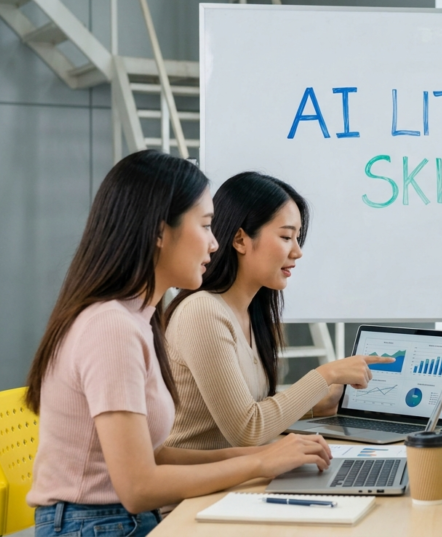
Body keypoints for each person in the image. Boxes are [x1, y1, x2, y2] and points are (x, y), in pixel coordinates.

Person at [25, 151, 332, 537]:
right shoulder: (111, 328)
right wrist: (258, 464)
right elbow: (138, 488)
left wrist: (263, 455)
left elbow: (155, 455)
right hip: (100, 524)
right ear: (159, 232)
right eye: (205, 226)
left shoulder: (138, 317)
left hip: (119, 520)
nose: (215, 244)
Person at [164, 172, 392, 449]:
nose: (298, 251)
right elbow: (247, 431)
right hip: (197, 489)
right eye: (286, 237)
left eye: (298, 238)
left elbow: (255, 412)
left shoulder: (250, 314)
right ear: (240, 240)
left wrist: (317, 406)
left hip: (235, 479)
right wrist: (325, 375)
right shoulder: (202, 312)